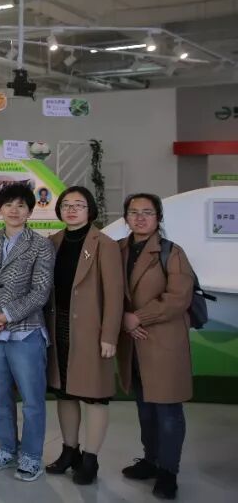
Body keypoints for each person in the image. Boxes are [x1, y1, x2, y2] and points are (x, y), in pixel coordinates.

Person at [0, 184, 54, 482]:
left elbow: (41, 291)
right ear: (0, 209)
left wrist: (5, 314)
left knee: (32, 399)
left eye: (21, 205)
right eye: (8, 205)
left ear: (30, 211)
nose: (14, 210)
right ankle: (6, 448)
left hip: (25, 332)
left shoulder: (41, 244)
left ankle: (31, 455)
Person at [44, 186, 123, 485]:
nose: (71, 209)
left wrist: (109, 335)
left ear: (90, 211)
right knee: (64, 391)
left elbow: (115, 295)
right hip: (58, 328)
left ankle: (90, 459)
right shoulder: (52, 242)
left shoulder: (105, 245)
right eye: (66, 204)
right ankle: (70, 451)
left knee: (94, 396)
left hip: (92, 331)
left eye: (79, 204)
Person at [118, 193, 194, 500]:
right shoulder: (117, 250)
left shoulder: (171, 252)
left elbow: (178, 298)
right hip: (133, 344)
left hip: (163, 342)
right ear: (126, 217)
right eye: (134, 212)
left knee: (167, 410)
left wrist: (138, 317)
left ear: (158, 217)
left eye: (147, 212)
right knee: (145, 408)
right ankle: (151, 460)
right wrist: (122, 320)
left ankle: (168, 472)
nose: (140, 217)